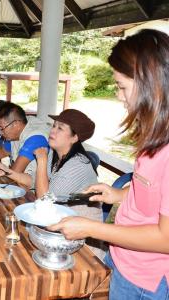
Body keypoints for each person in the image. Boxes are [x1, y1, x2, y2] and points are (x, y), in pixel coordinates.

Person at [49, 29, 169, 299]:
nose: (117, 95)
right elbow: (155, 195)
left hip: (150, 282)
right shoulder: (156, 136)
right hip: (126, 262)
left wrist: (90, 227)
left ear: (152, 84)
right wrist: (119, 194)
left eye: (122, 86)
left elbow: (166, 238)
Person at [0, 109, 104, 257]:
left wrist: (42, 160)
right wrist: (8, 172)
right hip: (58, 226)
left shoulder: (77, 165)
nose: (53, 131)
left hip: (82, 244)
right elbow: (35, 182)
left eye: (60, 128)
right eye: (54, 125)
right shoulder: (56, 155)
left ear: (74, 138)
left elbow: (44, 199)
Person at [0, 102, 49, 187]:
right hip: (19, 183)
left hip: (33, 192)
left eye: (2, 128)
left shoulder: (35, 138)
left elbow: (15, 172)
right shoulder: (18, 130)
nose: (0, 133)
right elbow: (2, 151)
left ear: (16, 124)